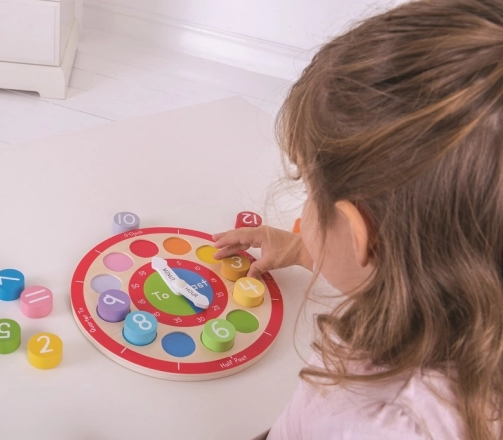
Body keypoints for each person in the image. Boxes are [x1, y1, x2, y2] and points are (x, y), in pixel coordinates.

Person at [212, 1, 503, 438]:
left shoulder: (380, 422)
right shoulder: (464, 305)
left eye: (310, 191)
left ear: (360, 234)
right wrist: (303, 248)